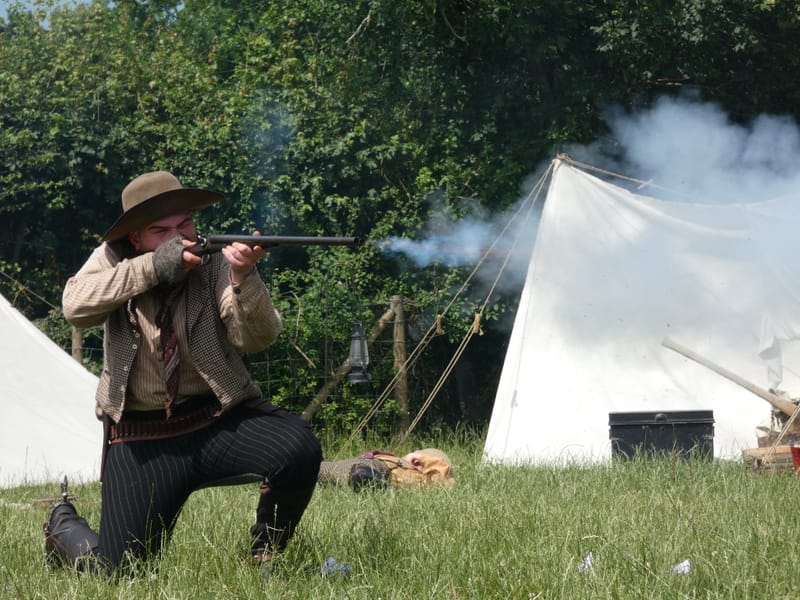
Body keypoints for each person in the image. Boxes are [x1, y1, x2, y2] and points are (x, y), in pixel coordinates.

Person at [48, 170, 322, 574]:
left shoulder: (215, 262)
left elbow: (258, 338)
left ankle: (266, 557)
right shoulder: (112, 258)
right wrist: (154, 268)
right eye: (161, 230)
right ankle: (62, 527)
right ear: (135, 238)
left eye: (184, 224)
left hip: (217, 420)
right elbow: (75, 306)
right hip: (143, 437)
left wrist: (244, 276)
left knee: (298, 446)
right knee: (118, 572)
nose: (179, 237)